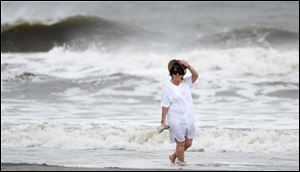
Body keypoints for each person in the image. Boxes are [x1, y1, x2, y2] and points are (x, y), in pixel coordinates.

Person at [160, 59, 198, 165]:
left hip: (189, 117)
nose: (177, 74)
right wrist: (163, 120)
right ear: (171, 73)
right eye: (174, 72)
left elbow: (196, 75)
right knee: (180, 143)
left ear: (183, 73)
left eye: (179, 72)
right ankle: (181, 163)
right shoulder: (167, 87)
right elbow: (165, 105)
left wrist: (188, 65)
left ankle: (173, 156)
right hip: (175, 118)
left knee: (189, 143)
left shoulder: (186, 83)